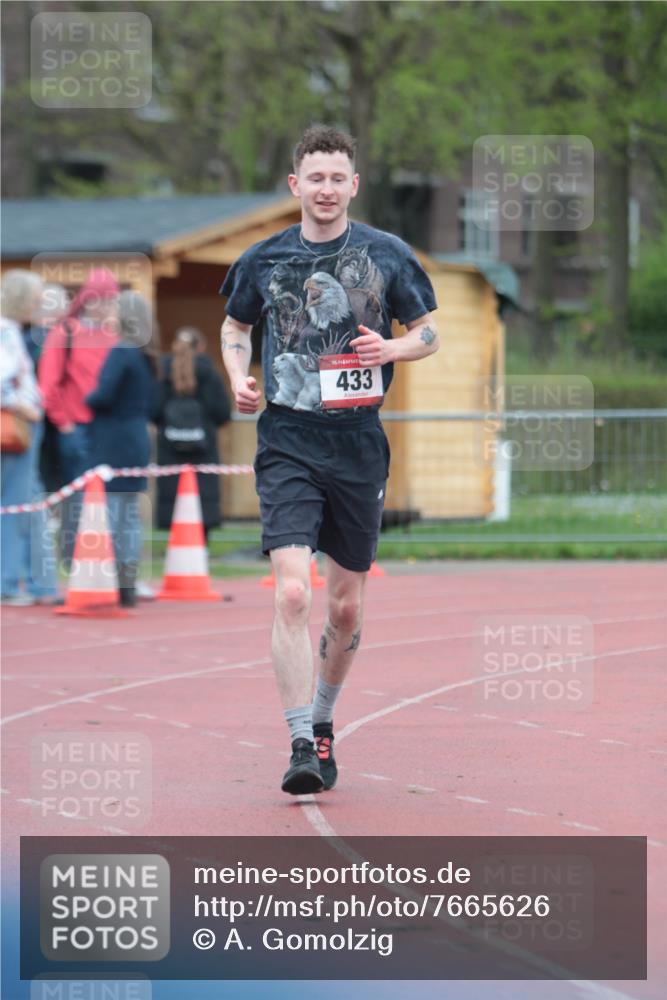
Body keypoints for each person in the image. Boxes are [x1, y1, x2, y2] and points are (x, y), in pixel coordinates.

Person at [219, 124, 439, 794]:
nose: (324, 189)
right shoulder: (262, 260)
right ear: (295, 185)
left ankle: (321, 723)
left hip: (357, 445)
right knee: (292, 591)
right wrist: (237, 377)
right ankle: (296, 743)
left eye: (336, 178)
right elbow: (235, 327)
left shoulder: (387, 254)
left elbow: (427, 332)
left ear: (353, 184)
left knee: (343, 606)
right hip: (287, 440)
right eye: (313, 178)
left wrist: (392, 352)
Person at [38, 268, 119, 568]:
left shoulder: (115, 334)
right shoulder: (66, 332)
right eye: (98, 299)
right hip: (77, 428)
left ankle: (104, 560)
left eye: (109, 299)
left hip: (108, 429)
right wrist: (65, 424)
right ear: (86, 299)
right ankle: (74, 561)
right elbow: (48, 385)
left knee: (110, 497)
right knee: (78, 498)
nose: (103, 306)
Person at [85, 291, 160, 607]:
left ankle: (111, 580)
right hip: (137, 435)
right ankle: (127, 582)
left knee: (113, 511)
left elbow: (102, 396)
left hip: (113, 437)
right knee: (129, 513)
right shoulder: (147, 354)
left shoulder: (122, 351)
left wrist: (85, 400)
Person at [154, 327, 231, 542]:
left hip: (169, 449)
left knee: (175, 494)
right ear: (201, 348)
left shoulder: (162, 371)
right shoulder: (210, 372)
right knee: (200, 495)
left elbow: (153, 410)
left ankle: (175, 546)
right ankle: (201, 547)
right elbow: (222, 412)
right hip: (203, 450)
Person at [1, 270, 45, 605]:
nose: (38, 305)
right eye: (34, 299)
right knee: (15, 506)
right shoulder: (6, 331)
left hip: (16, 423)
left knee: (19, 504)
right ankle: (9, 582)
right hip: (15, 426)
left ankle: (20, 579)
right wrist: (24, 408)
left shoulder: (11, 330)